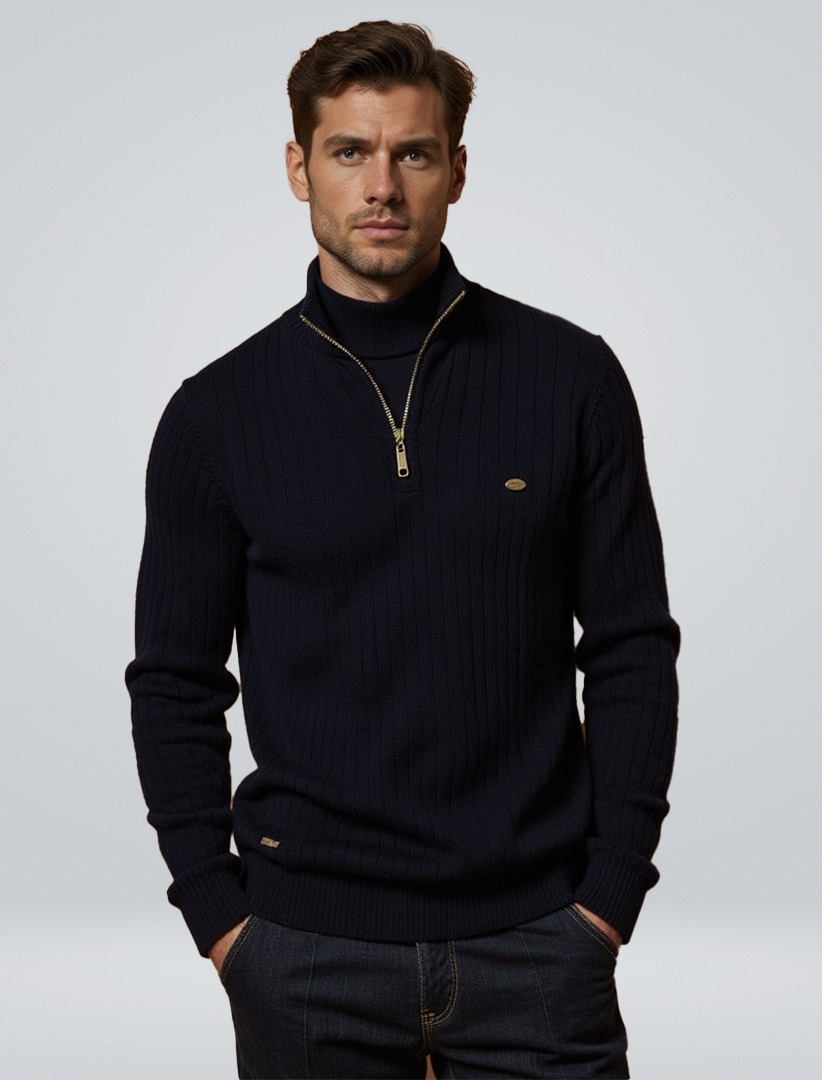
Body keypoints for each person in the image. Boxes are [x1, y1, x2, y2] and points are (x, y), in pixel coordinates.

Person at [125, 20, 680, 1080]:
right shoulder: (216, 415)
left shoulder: (571, 379)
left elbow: (631, 649)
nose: (382, 186)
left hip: (540, 943)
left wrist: (610, 894)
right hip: (303, 949)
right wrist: (220, 919)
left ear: (456, 170)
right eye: (350, 151)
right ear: (300, 168)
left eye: (413, 153)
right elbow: (175, 682)